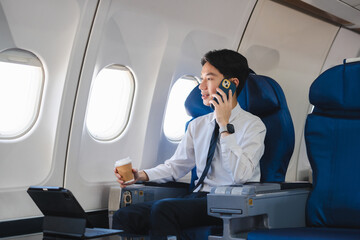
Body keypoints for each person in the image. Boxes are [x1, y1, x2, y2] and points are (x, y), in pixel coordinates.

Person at [113, 49, 266, 239]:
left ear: (231, 84)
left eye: (209, 79)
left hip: (230, 202)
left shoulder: (254, 125)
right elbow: (176, 166)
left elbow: (240, 175)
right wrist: (142, 175)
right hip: (198, 198)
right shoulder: (198, 125)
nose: (201, 86)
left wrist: (225, 126)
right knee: (125, 216)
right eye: (202, 78)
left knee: (164, 209)